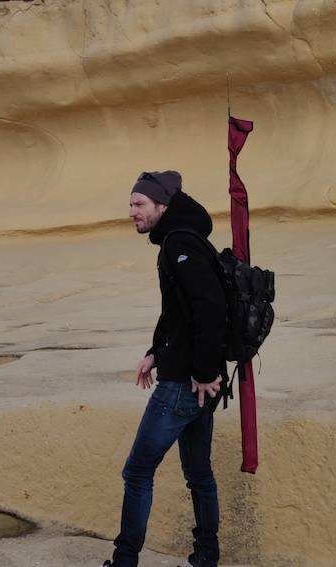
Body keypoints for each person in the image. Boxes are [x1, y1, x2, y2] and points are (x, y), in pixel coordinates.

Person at [106, 171, 226, 567]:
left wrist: (206, 371)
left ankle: (124, 561)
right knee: (199, 475)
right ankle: (206, 557)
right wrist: (154, 352)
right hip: (194, 380)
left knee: (137, 472)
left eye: (139, 204)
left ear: (162, 205)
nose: (131, 212)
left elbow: (210, 307)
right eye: (130, 204)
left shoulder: (180, 243)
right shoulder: (182, 240)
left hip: (184, 384)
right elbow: (178, 311)